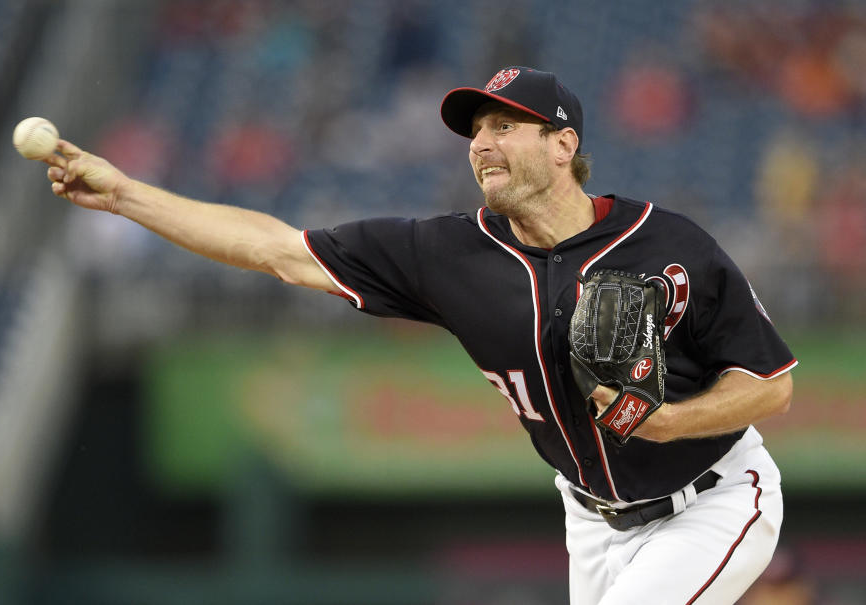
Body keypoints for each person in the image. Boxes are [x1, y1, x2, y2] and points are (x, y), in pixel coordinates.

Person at [42, 66, 797, 604]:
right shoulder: (444, 254)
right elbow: (274, 247)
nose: (481, 143)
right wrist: (129, 195)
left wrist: (669, 421)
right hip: (590, 516)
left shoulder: (666, 241)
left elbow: (771, 383)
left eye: (505, 125)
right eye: (475, 131)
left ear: (562, 145)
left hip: (714, 497)